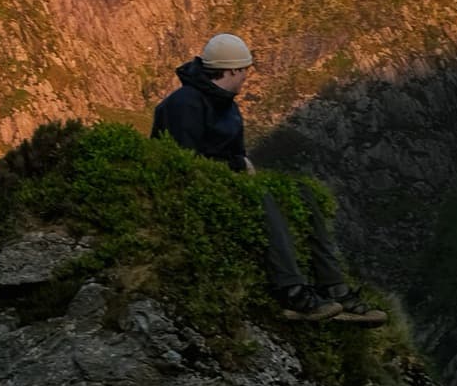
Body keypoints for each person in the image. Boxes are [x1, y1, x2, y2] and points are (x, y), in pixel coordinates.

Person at [151, 33, 386, 325]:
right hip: (195, 183)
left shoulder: (227, 103)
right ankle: (292, 291)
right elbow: (181, 159)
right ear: (233, 70)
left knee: (302, 193)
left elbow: (233, 152)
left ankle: (334, 287)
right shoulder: (184, 104)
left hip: (226, 177)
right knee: (263, 200)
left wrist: (238, 165)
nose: (247, 77)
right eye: (245, 70)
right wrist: (236, 166)